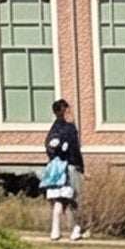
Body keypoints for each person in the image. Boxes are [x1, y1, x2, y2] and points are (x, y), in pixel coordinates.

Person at [43, 98, 84, 241]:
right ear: (64, 110)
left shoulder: (53, 130)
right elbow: (75, 150)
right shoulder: (70, 129)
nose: (71, 112)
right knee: (73, 199)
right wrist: (81, 167)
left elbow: (49, 148)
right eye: (69, 109)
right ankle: (75, 229)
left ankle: (55, 231)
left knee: (58, 199)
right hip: (70, 167)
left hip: (56, 170)